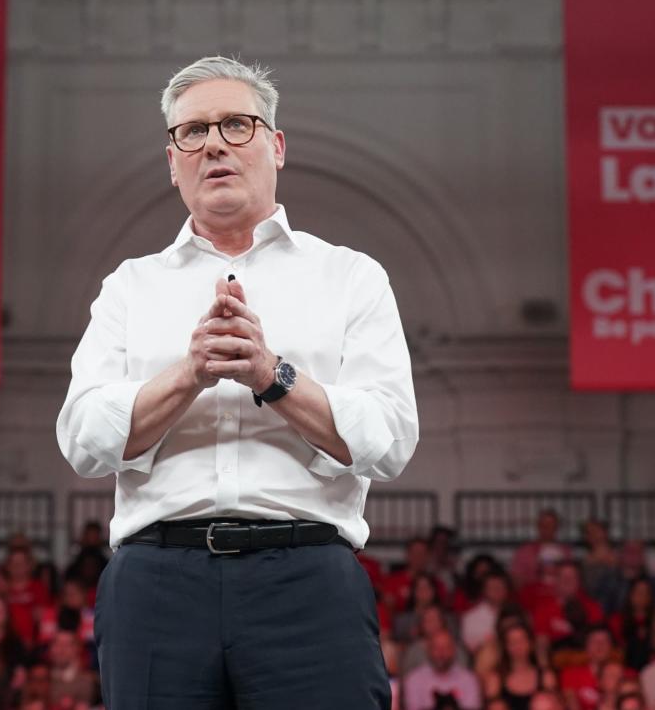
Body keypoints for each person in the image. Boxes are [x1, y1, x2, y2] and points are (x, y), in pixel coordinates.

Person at [54, 55, 419, 708]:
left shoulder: (350, 277)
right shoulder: (130, 288)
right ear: (173, 162)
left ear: (276, 146)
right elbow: (82, 439)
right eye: (192, 132)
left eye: (236, 124)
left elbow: (389, 440)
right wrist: (189, 373)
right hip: (157, 582)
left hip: (307, 577)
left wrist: (271, 376)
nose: (214, 142)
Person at [403, 630, 481, 710]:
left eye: (446, 647)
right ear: (428, 650)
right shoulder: (414, 679)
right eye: (436, 648)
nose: (441, 652)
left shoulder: (469, 679)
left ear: (454, 650)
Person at [511, 511, 573, 590]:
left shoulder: (565, 551)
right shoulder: (524, 552)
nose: (547, 528)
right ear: (538, 526)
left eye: (551, 525)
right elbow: (516, 580)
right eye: (543, 525)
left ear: (556, 527)